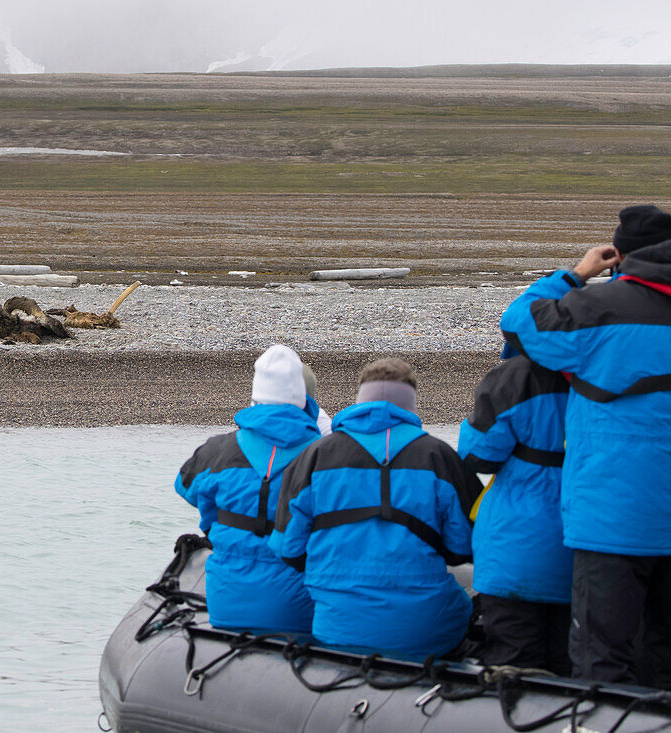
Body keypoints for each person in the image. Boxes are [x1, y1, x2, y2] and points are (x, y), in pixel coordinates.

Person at [499, 204, 671, 687]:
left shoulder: (595, 310)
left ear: (620, 257)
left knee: (602, 663)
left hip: (611, 520)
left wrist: (575, 274)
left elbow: (518, 323)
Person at [270, 358, 480, 660]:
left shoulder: (313, 457)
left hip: (338, 626)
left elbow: (289, 549)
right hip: (425, 629)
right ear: (412, 402)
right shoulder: (439, 456)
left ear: (360, 399)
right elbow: (462, 549)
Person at [175, 344, 323, 634]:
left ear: (255, 395)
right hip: (300, 609)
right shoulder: (326, 456)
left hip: (225, 604)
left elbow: (185, 486)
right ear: (302, 399)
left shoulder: (216, 450)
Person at [458, 352, 572, 675]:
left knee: (515, 672)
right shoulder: (597, 368)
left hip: (513, 555)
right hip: (584, 552)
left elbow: (477, 455)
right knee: (572, 670)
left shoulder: (514, 377)